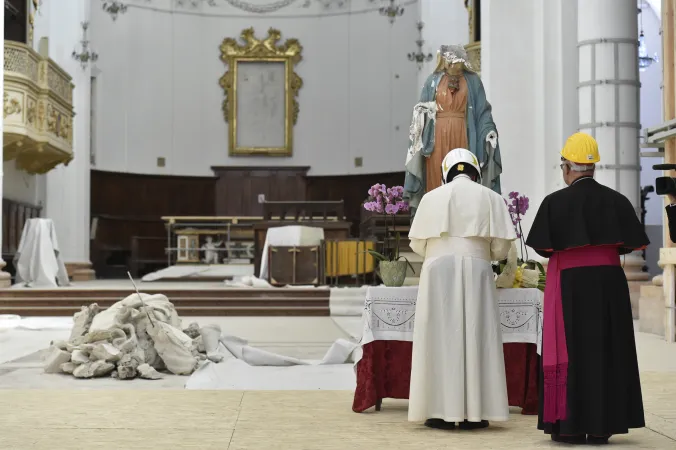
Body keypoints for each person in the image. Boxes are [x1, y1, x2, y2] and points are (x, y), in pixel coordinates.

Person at [526, 132, 648, 445]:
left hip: (568, 286)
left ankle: (568, 427)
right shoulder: (617, 201)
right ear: (593, 167)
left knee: (573, 352)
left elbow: (542, 247)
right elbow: (630, 244)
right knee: (607, 350)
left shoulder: (554, 202)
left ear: (567, 167)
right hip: (609, 286)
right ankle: (602, 427)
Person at [407, 148, 516, 430]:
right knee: (478, 335)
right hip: (477, 268)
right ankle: (475, 412)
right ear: (476, 171)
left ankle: (436, 410)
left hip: (436, 269)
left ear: (446, 172)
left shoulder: (431, 198)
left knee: (437, 337)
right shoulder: (491, 198)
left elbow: (418, 244)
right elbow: (502, 248)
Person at [404, 44, 502, 218]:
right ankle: (436, 220)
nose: (451, 65)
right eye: (448, 61)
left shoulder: (472, 81)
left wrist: (489, 131)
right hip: (436, 139)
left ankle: (465, 219)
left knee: (463, 174)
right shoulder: (432, 80)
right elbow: (421, 109)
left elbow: (482, 111)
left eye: (455, 62)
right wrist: (421, 117)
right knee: (437, 179)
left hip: (464, 136)